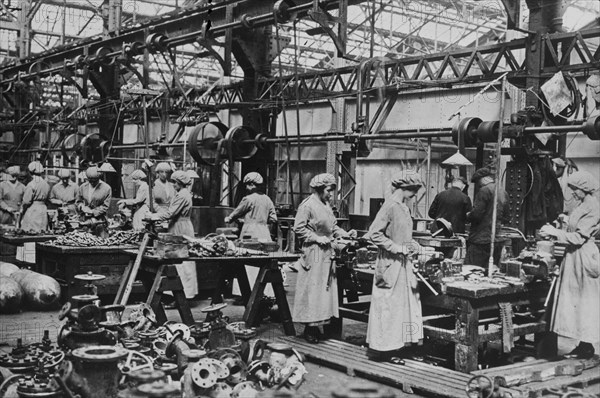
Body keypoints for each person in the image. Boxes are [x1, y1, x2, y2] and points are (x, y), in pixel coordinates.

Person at [539, 171, 599, 359]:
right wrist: (565, 222)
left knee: (583, 303)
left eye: (574, 189)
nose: (572, 193)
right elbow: (575, 229)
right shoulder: (583, 204)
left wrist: (555, 232)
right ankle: (582, 344)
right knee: (574, 302)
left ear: (584, 189)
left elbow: (579, 238)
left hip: (583, 258)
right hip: (574, 257)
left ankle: (587, 346)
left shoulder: (594, 207)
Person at [365, 170, 424, 361]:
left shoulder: (404, 207)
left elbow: (402, 235)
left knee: (404, 307)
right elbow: (374, 233)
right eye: (414, 190)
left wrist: (412, 245)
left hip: (403, 264)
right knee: (388, 308)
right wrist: (397, 248)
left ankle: (403, 346)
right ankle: (384, 350)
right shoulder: (390, 205)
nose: (415, 195)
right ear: (406, 187)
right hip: (390, 264)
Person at [293, 173, 356, 343]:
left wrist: (346, 234)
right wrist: (316, 237)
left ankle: (324, 324)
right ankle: (310, 328)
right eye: (329, 190)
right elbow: (298, 228)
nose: (331, 194)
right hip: (314, 251)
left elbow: (333, 227)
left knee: (325, 291)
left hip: (327, 251)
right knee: (313, 291)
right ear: (320, 189)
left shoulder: (326, 205)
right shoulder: (307, 205)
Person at [148, 170, 198, 300]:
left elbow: (170, 213)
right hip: (177, 226)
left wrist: (153, 216)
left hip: (181, 228)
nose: (173, 185)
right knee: (176, 261)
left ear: (181, 183)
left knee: (182, 262)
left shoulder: (183, 195)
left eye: (175, 182)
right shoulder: (181, 193)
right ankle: (178, 295)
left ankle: (184, 295)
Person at [465, 167, 509, 268]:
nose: (478, 185)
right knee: (491, 270)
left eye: (478, 181)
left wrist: (468, 215)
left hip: (481, 239)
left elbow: (476, 214)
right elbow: (506, 217)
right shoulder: (503, 191)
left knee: (472, 270)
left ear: (484, 179)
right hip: (496, 239)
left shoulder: (484, 191)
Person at [225, 172, 277, 240]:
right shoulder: (268, 199)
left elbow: (236, 213)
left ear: (252, 184)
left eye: (247, 185)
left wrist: (228, 219)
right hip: (265, 236)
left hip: (250, 235)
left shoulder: (248, 199)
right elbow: (273, 219)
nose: (246, 188)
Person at [77, 166, 112, 238]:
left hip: (99, 220)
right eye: (90, 180)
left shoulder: (106, 188)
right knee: (85, 240)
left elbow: (105, 206)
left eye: (94, 180)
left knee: (102, 241)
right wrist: (82, 207)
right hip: (85, 220)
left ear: (99, 178)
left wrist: (92, 211)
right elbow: (78, 201)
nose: (92, 182)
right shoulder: (83, 187)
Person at [20, 161, 50, 233]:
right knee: (41, 231)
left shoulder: (31, 184)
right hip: (43, 209)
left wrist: (22, 209)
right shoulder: (46, 184)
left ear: (30, 172)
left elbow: (26, 201)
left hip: (33, 209)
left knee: (31, 231)